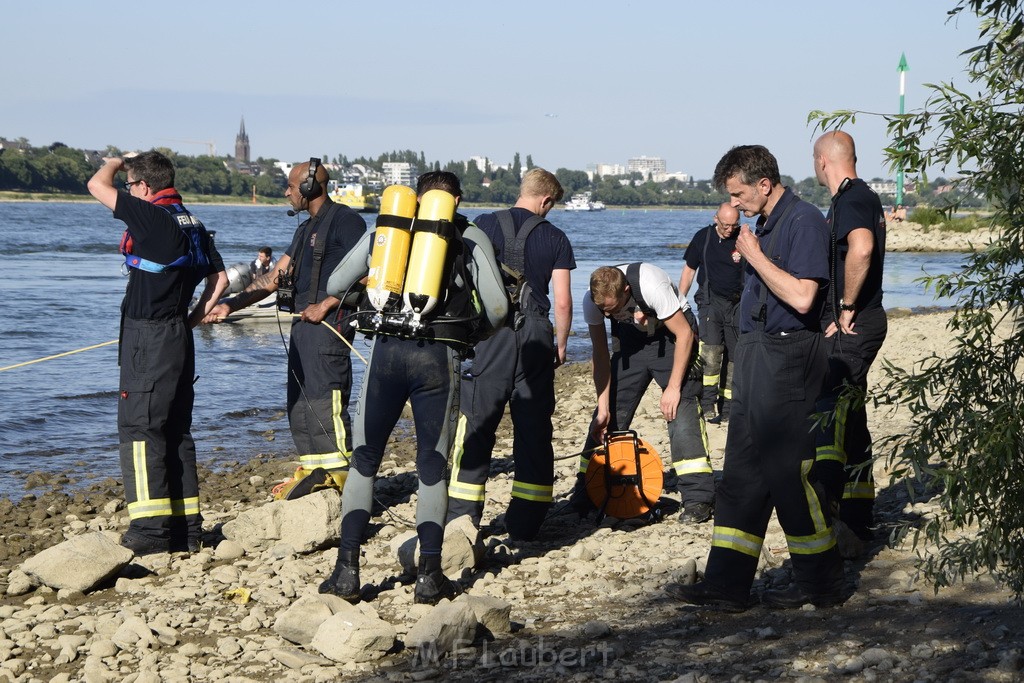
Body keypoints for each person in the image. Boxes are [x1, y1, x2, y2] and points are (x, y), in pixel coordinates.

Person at [667, 145, 846, 611]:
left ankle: (821, 583)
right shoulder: (767, 222)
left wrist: (753, 255)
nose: (736, 203)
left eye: (739, 193)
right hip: (754, 357)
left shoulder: (802, 221)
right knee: (741, 478)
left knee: (788, 475)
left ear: (764, 184)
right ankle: (726, 585)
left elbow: (805, 298)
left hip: (787, 360)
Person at [318, 171, 508, 605]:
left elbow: (334, 286)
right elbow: (498, 308)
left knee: (365, 458)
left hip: (386, 353)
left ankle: (347, 572)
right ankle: (429, 576)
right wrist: (472, 333)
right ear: (456, 201)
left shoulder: (390, 229)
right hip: (438, 357)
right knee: (432, 464)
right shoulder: (470, 235)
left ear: (417, 197)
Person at [87, 151, 228, 555]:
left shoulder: (154, 216)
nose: (129, 192)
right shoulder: (192, 221)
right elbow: (218, 278)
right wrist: (194, 318)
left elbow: (97, 186)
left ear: (144, 187)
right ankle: (187, 528)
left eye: (132, 186)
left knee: (140, 429)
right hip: (177, 334)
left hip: (148, 336)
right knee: (176, 430)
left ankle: (150, 531)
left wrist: (113, 161)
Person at [204, 160, 366, 480]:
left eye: (291, 186)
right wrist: (229, 305)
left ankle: (342, 478)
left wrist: (326, 305)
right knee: (300, 402)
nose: (286, 192)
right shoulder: (305, 227)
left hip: (329, 325)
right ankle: (312, 468)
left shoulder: (346, 221)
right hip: (302, 324)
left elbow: (368, 272)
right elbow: (274, 279)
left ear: (308, 187)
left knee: (324, 399)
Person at [447, 168, 575, 540]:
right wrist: (561, 343)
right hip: (536, 334)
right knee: (534, 427)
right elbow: (563, 302)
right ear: (546, 200)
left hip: (491, 330)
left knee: (478, 422)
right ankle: (526, 522)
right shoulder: (555, 236)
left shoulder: (483, 224)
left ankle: (462, 518)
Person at [572, 262, 715, 524]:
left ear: (626, 290)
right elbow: (601, 355)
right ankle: (586, 489)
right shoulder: (592, 302)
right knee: (606, 418)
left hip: (672, 339)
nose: (608, 314)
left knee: (680, 410)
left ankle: (698, 498)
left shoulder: (651, 284)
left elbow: (684, 335)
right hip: (630, 345)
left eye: (612, 309)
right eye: (603, 310)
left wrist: (673, 388)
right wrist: (603, 406)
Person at [811, 131, 888, 555]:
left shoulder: (852, 198)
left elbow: (861, 249)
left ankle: (826, 506)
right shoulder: (857, 198)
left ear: (824, 160)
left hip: (855, 324)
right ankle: (859, 518)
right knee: (853, 416)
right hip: (865, 320)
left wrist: (844, 306)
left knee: (829, 408)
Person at [678, 202, 744, 424]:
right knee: (711, 354)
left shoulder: (743, 238)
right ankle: (707, 404)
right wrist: (679, 301)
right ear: (716, 219)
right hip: (710, 302)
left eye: (734, 225)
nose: (729, 229)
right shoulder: (702, 237)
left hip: (737, 305)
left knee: (734, 358)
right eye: (726, 225)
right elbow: (688, 271)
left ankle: (727, 408)